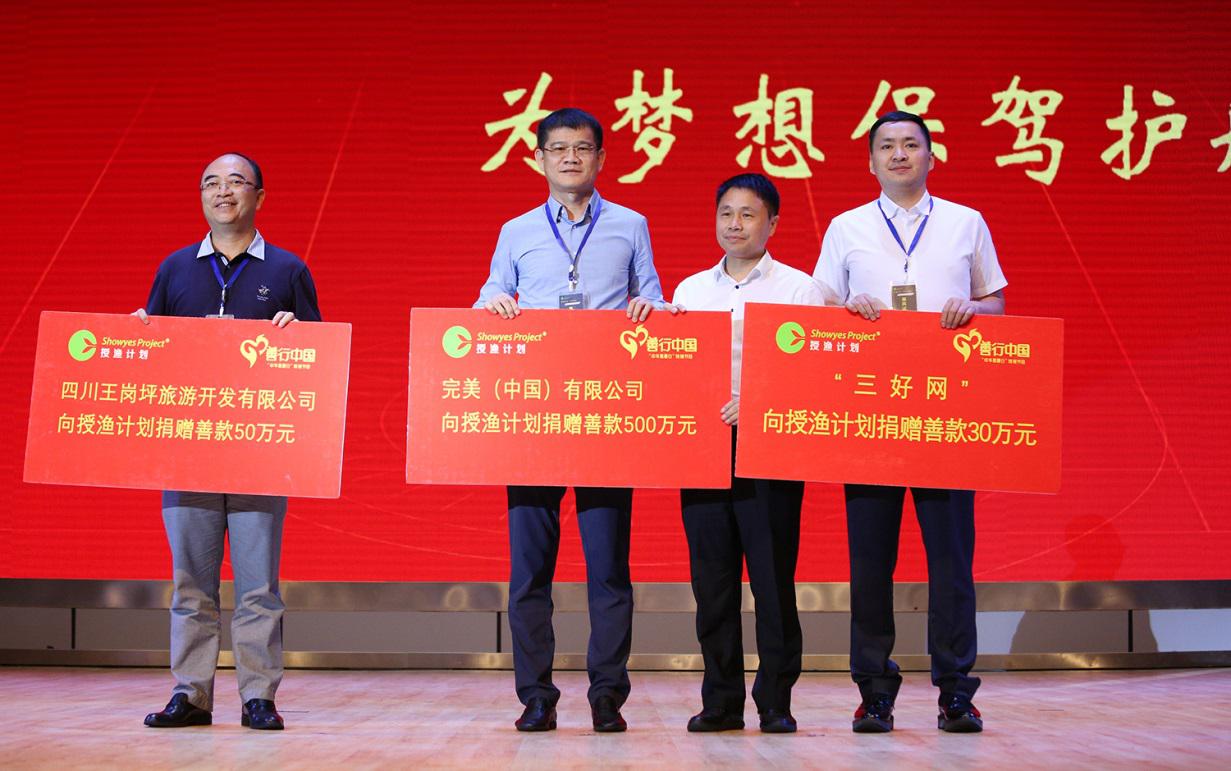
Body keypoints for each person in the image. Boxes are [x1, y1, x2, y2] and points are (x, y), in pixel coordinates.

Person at [813, 111, 1006, 734]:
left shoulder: (965, 222)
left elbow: (996, 301)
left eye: (910, 144)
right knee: (870, 563)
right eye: (886, 146)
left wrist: (973, 308)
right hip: (870, 415)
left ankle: (956, 691)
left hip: (946, 415)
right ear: (871, 161)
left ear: (930, 156)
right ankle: (874, 690)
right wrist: (846, 307)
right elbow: (820, 306)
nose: (899, 154)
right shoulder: (846, 227)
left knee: (952, 561)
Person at [475, 107, 667, 733]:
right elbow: (488, 297)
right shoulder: (516, 230)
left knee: (608, 568)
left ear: (601, 158)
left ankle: (607, 695)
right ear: (538, 159)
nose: (570, 159)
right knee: (530, 570)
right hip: (534, 418)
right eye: (558, 149)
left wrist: (650, 309)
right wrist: (494, 304)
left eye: (582, 148)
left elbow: (653, 297)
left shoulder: (630, 224)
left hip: (605, 414)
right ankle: (536, 696)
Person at [135, 153, 322, 731]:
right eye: (211, 183)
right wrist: (136, 337)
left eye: (237, 182)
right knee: (191, 583)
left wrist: (299, 337)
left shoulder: (287, 269)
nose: (223, 191)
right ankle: (190, 694)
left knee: (258, 586)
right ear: (201, 197)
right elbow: (153, 358)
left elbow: (319, 361)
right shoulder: (175, 269)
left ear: (259, 197)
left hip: (258, 454)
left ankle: (258, 696)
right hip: (188, 450)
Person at [672, 174, 823, 734]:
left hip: (771, 448)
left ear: (773, 223)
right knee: (712, 585)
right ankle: (721, 701)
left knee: (772, 582)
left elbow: (815, 374)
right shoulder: (689, 292)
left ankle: (776, 701)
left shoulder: (800, 289)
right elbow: (675, 365)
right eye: (726, 213)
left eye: (748, 214)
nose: (734, 225)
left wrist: (759, 402)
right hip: (704, 448)